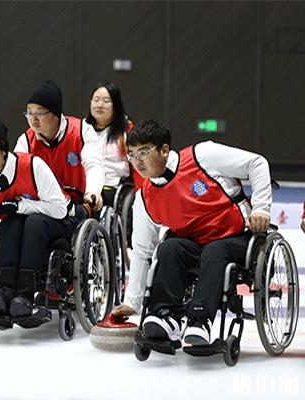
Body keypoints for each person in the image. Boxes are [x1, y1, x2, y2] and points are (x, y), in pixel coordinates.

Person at [112, 119, 272, 346]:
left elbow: (257, 163)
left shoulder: (203, 156)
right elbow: (141, 251)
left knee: (215, 251)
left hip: (236, 236)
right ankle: (166, 316)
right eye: (132, 155)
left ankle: (200, 321)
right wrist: (133, 302)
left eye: (144, 153)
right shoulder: (144, 198)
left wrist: (261, 208)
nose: (137, 162)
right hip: (193, 244)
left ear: (164, 150)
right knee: (168, 248)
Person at [0, 119, 81, 318]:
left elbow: (60, 209)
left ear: (3, 150)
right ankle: (5, 291)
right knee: (10, 223)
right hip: (22, 226)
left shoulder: (32, 166)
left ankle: (26, 295)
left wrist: (20, 206)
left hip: (59, 222)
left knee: (32, 222)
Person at [15, 80, 104, 212]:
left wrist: (93, 191)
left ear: (55, 114)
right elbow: (17, 174)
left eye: (39, 113)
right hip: (43, 205)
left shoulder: (82, 131)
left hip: (78, 202)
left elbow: (93, 165)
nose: (33, 119)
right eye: (29, 113)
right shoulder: (26, 141)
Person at [84, 82, 143, 206]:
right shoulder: (81, 129)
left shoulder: (127, 130)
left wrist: (140, 195)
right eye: (96, 100)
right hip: (85, 185)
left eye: (106, 101)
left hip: (113, 187)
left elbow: (138, 167)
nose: (99, 105)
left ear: (115, 105)